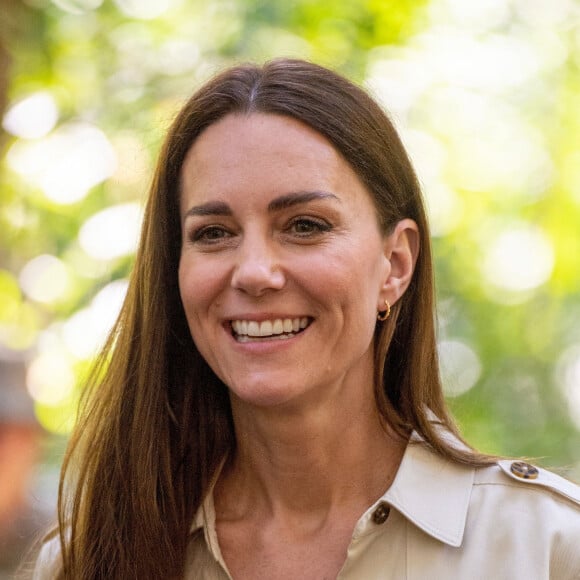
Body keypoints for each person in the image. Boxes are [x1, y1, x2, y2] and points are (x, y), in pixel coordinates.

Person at [33, 58, 580, 579]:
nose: (254, 273)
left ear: (395, 264)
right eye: (214, 233)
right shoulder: (88, 562)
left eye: (305, 225)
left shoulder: (545, 549)